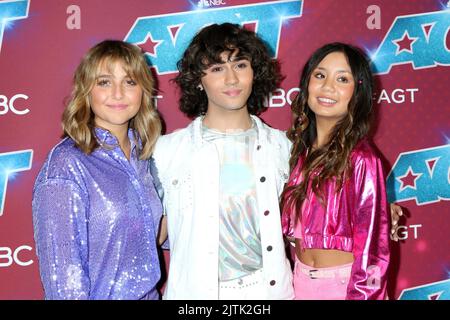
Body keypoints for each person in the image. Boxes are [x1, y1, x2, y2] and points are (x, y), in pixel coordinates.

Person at [153, 23, 294, 300]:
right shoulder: (166, 152)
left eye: (240, 65)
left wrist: (375, 212)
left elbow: (314, 218)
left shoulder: (283, 147)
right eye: (217, 69)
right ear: (198, 79)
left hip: (268, 292)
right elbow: (148, 232)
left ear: (254, 72)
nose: (232, 79)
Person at [32, 40, 164, 300]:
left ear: (143, 91)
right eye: (104, 82)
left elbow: (154, 235)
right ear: (87, 90)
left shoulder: (146, 157)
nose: (118, 93)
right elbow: (64, 283)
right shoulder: (67, 164)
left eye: (130, 82)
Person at [281, 42, 390, 300]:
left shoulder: (362, 158)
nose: (328, 86)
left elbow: (374, 249)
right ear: (307, 83)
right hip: (299, 283)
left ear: (357, 92)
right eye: (320, 75)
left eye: (342, 79)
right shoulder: (299, 153)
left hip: (344, 288)